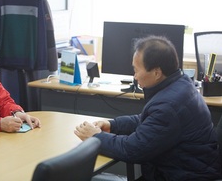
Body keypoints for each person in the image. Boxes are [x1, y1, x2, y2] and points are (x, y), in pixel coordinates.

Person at [75, 35, 221, 180]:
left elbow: (131, 150)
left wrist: (95, 137)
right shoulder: (181, 85)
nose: (135, 76)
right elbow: (149, 122)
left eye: (137, 70)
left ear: (156, 73)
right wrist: (113, 125)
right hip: (186, 170)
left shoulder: (169, 106)